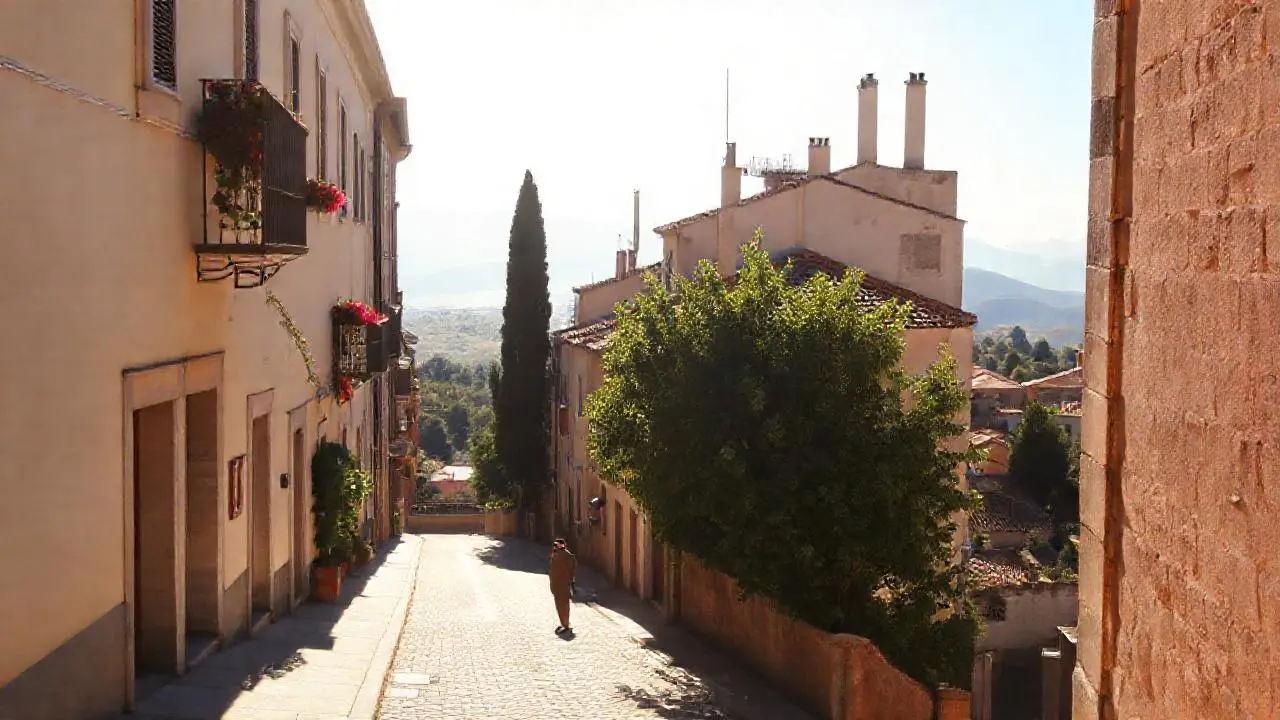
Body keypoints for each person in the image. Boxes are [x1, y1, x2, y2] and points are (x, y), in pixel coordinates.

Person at [548, 538, 577, 635]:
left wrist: (571, 581)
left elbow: (572, 570)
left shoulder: (566, 555)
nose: (555, 547)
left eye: (557, 545)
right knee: (561, 604)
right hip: (558, 584)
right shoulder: (556, 555)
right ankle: (564, 623)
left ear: (562, 545)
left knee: (562, 605)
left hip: (562, 584)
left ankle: (565, 624)